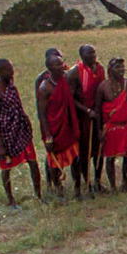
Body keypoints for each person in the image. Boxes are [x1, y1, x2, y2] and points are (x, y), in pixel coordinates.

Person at [0, 58, 41, 206]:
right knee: (7, 168)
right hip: (6, 134)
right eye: (8, 70)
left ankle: (39, 195)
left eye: (12, 68)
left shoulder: (10, 84)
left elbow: (18, 106)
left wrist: (27, 122)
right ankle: (10, 200)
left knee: (33, 162)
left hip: (20, 130)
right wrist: (1, 145)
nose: (12, 72)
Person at [34, 47, 80, 201]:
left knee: (76, 158)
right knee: (55, 162)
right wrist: (48, 136)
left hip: (68, 126)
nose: (63, 66)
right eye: (58, 65)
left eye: (62, 63)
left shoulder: (65, 79)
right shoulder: (44, 86)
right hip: (54, 129)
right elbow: (42, 114)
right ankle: (57, 189)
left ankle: (78, 188)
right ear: (50, 68)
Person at [95, 56, 127, 193]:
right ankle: (112, 186)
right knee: (110, 157)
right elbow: (98, 110)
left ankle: (125, 183)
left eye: (122, 66)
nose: (121, 69)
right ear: (110, 70)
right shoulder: (103, 87)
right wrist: (99, 131)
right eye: (117, 67)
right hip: (111, 127)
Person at [71, 44, 105, 195]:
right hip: (84, 117)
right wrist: (87, 110)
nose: (93, 56)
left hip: (99, 114)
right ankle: (87, 181)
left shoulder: (100, 68)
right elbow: (71, 99)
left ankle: (97, 181)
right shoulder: (75, 73)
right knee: (85, 152)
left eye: (94, 52)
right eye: (89, 54)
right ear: (82, 56)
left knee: (99, 150)